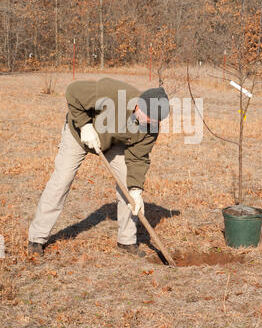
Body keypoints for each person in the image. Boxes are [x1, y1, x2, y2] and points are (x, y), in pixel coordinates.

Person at [28, 77, 170, 258]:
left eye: (154, 122)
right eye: (147, 117)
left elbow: (139, 157)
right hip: (79, 133)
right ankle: (37, 238)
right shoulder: (112, 93)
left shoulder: (151, 127)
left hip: (113, 142)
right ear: (139, 104)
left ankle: (126, 241)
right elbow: (73, 91)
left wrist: (136, 189)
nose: (149, 123)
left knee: (128, 185)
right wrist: (85, 126)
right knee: (61, 181)